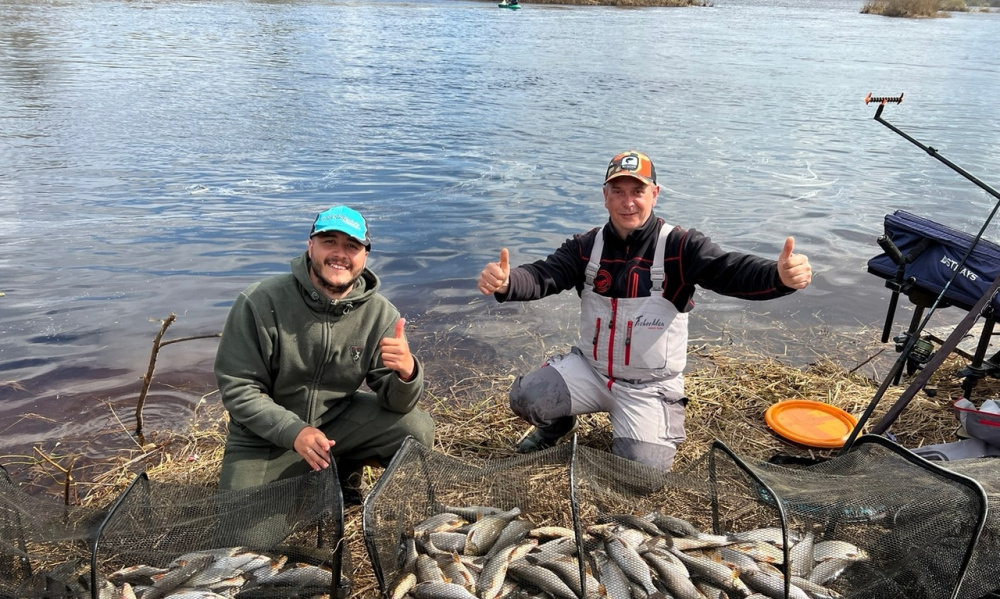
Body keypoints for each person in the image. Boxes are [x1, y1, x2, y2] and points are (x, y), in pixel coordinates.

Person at [476, 150, 812, 471]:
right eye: (618, 192)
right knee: (526, 395)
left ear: (655, 193)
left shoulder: (681, 246)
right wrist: (507, 282)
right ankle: (557, 426)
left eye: (638, 191)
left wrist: (778, 276)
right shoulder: (585, 247)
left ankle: (641, 431)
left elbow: (730, 270)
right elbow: (543, 275)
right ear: (605, 195)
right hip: (591, 373)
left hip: (648, 387)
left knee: (643, 473)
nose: (628, 202)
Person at [215, 205, 434, 497]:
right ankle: (307, 473)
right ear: (310, 246)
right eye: (329, 241)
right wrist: (295, 432)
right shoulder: (259, 300)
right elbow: (239, 388)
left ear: (365, 256)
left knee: (416, 430)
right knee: (246, 534)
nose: (340, 254)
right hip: (264, 437)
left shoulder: (381, 315)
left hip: (334, 424)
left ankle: (345, 465)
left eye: (351, 246)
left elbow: (396, 403)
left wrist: (407, 374)